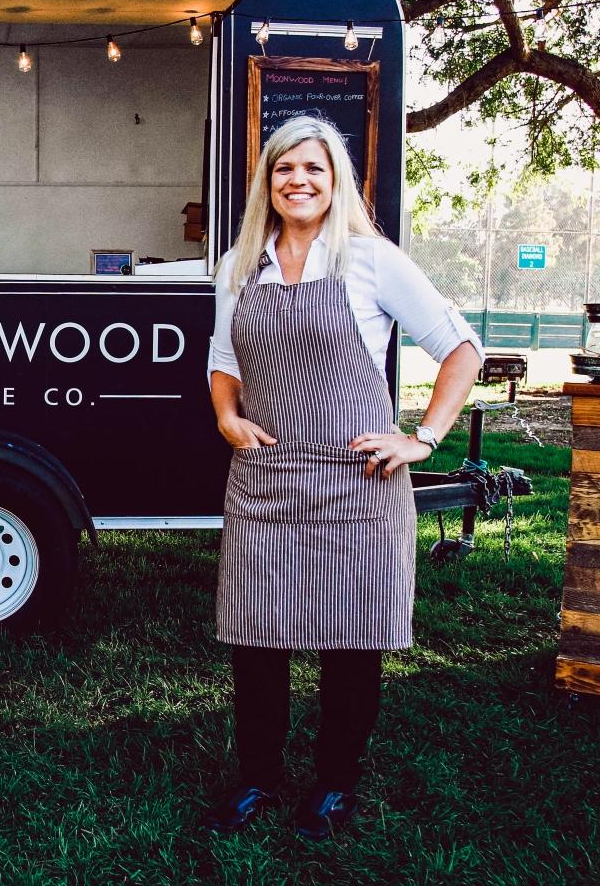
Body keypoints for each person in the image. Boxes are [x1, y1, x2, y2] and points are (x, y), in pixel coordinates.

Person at [203, 115, 482, 841]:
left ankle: (334, 784)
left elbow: (461, 350)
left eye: (313, 169)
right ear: (267, 181)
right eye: (284, 168)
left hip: (358, 486)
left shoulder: (371, 260)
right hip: (265, 484)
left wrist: (422, 438)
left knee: (350, 644)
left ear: (336, 182)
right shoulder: (240, 267)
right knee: (256, 642)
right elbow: (223, 362)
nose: (297, 181)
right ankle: (257, 777)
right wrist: (228, 416)